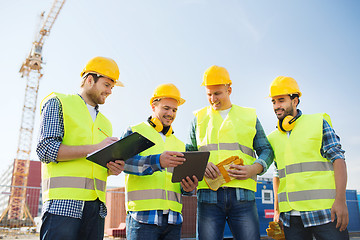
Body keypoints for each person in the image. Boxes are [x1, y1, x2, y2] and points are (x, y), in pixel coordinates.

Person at [36, 56, 125, 240]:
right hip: (63, 204)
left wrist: (111, 169)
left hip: (95, 209)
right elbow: (46, 149)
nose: (110, 91)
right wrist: (94, 148)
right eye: (107, 85)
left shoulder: (105, 123)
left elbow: (92, 165)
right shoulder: (58, 102)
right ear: (90, 79)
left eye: (112, 87)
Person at [186, 65, 274, 240]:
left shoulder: (249, 116)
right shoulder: (198, 118)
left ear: (229, 90)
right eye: (209, 94)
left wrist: (254, 169)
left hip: (242, 194)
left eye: (217, 93)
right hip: (208, 196)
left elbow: (266, 150)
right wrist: (200, 166)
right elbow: (189, 155)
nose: (212, 99)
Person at [267, 76, 349, 240]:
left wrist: (341, 200)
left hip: (326, 213)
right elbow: (277, 175)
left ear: (295, 100)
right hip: (291, 218)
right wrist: (277, 211)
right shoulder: (273, 137)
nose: (277, 106)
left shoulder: (318, 123)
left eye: (281, 100)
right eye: (274, 102)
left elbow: (338, 159)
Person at [122, 83, 198, 240]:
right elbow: (123, 162)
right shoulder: (136, 131)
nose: (170, 113)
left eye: (174, 110)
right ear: (153, 106)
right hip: (143, 219)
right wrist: (158, 161)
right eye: (166, 108)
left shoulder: (180, 144)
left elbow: (179, 184)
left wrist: (189, 188)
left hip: (173, 220)